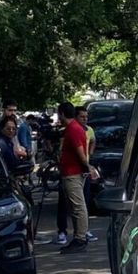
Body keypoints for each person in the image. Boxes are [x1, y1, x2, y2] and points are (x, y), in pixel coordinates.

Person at [57, 101, 95, 253]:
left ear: (61, 114)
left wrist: (87, 167)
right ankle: (79, 236)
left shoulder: (73, 129)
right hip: (71, 172)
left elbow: (81, 152)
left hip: (73, 173)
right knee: (75, 207)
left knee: (78, 207)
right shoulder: (74, 128)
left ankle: (80, 238)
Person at [76, 106, 99, 242]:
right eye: (82, 117)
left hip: (85, 170)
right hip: (75, 171)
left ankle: (85, 230)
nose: (85, 119)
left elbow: (93, 140)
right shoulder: (73, 130)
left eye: (86, 117)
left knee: (85, 200)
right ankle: (65, 232)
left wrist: (90, 153)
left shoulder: (89, 130)